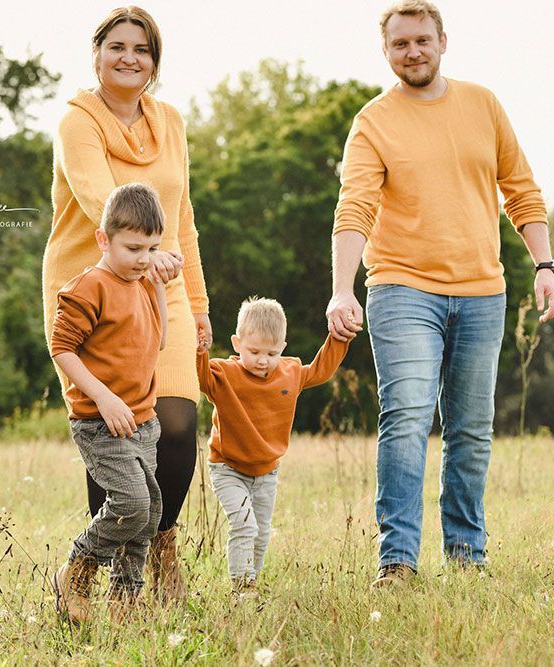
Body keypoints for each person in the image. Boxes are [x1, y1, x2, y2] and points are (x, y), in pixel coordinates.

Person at [326, 0, 554, 588]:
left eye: (421, 40)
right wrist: (341, 289)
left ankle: (466, 557)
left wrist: (545, 265)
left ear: (443, 41)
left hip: (483, 291)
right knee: (406, 416)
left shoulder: (483, 105)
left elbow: (522, 190)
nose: (413, 51)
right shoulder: (373, 122)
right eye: (400, 43)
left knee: (471, 428)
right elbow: (354, 207)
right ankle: (398, 562)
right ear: (387, 52)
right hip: (403, 288)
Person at [42, 6, 210, 603]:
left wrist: (197, 301)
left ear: (154, 61)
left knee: (177, 425)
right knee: (114, 430)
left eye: (142, 49)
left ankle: (160, 544)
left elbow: (182, 216)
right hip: (100, 280)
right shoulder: (77, 121)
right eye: (117, 46)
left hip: (164, 282)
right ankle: (95, 578)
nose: (129, 57)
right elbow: (99, 197)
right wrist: (145, 250)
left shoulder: (171, 122)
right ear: (98, 54)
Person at [50, 183, 169, 624]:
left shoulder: (140, 282)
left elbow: (160, 342)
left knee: (150, 512)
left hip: (143, 420)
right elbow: (60, 347)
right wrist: (103, 397)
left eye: (152, 248)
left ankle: (125, 598)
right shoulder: (90, 286)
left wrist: (158, 286)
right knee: (133, 503)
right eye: (134, 247)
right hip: (101, 423)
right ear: (104, 239)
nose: (144, 258)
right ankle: (77, 569)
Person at [197, 298, 352, 595]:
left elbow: (320, 370)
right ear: (237, 343)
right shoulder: (223, 375)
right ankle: (242, 587)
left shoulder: (290, 373)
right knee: (244, 525)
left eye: (271, 353)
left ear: (283, 347)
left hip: (267, 473)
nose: (262, 360)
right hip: (227, 468)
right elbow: (200, 375)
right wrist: (199, 348)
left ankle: (252, 579)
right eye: (254, 351)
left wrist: (338, 337)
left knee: (261, 532)